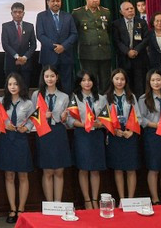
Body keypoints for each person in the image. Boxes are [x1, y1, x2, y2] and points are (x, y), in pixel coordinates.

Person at [0, 73, 34, 224]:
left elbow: (33, 119)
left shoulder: (28, 103)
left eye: (15, 84)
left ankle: (21, 209)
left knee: (23, 176)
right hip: (6, 139)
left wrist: (28, 128)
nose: (12, 87)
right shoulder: (0, 101)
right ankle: (12, 209)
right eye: (10, 84)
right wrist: (3, 125)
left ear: (20, 86)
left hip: (21, 139)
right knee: (9, 176)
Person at [67, 70, 106, 210]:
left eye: (89, 80)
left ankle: (95, 199)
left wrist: (101, 123)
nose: (87, 83)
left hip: (96, 135)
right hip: (82, 135)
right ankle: (87, 200)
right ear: (79, 82)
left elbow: (106, 117)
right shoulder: (75, 98)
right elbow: (70, 120)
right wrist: (84, 124)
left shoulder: (101, 98)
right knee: (83, 168)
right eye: (83, 80)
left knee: (95, 169)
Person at [137, 69, 161, 205]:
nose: (156, 82)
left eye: (158, 80)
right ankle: (155, 199)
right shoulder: (143, 99)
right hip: (152, 135)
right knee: (154, 168)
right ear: (149, 82)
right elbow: (140, 119)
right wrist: (155, 125)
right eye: (153, 80)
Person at [32, 65, 70, 203]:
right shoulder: (37, 95)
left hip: (58, 133)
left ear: (57, 77)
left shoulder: (64, 96)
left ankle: (58, 203)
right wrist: (42, 115)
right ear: (43, 78)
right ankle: (49, 205)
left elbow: (68, 119)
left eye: (52, 76)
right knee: (47, 171)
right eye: (47, 76)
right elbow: (33, 116)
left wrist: (65, 117)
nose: (50, 79)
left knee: (59, 171)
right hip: (44, 134)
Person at [104, 68, 140, 201]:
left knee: (131, 168)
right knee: (118, 169)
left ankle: (130, 200)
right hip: (115, 134)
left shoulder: (131, 96)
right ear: (112, 80)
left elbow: (139, 117)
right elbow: (103, 118)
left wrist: (131, 131)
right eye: (117, 79)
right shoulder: (106, 97)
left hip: (130, 133)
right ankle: (122, 199)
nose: (119, 82)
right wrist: (114, 130)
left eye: (122, 79)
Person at [35, 0, 78, 94]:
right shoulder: (41, 16)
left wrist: (63, 46)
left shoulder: (68, 16)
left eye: (58, 1)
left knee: (67, 83)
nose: (55, 3)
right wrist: (55, 46)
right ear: (48, 2)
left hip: (65, 55)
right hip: (49, 55)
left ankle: (67, 106)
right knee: (48, 83)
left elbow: (74, 34)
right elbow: (40, 35)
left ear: (61, 2)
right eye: (53, 1)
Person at [72, 0, 113, 91]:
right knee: (89, 80)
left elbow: (109, 30)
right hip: (88, 53)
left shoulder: (105, 12)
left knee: (105, 80)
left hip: (104, 52)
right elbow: (74, 32)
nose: (96, 0)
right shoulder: (78, 13)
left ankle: (105, 102)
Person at [112, 1, 149, 95]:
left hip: (140, 58)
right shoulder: (116, 24)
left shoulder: (142, 22)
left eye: (131, 8)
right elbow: (116, 41)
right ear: (121, 12)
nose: (130, 11)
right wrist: (127, 51)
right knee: (126, 84)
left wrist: (136, 50)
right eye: (127, 9)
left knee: (140, 85)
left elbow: (146, 38)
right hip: (124, 59)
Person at [2, 2, 36, 91]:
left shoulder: (30, 26)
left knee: (25, 88)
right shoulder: (5, 26)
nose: (17, 14)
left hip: (26, 63)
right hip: (11, 63)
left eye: (20, 12)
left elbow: (33, 45)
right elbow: (5, 44)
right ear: (11, 13)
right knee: (11, 90)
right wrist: (17, 57)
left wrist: (24, 57)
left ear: (23, 13)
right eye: (15, 12)